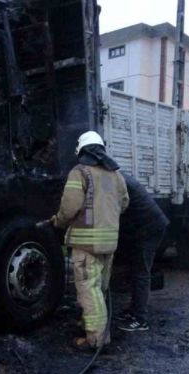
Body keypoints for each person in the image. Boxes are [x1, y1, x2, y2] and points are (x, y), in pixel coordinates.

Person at [47, 131, 129, 349]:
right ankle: (91, 327)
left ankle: (95, 339)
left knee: (88, 290)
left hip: (86, 245)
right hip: (110, 243)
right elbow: (124, 203)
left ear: (82, 151)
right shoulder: (116, 175)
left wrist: (58, 221)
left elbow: (70, 207)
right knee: (99, 290)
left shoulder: (80, 172)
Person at [114, 173, 169, 332]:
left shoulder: (116, 182)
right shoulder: (118, 177)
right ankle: (133, 311)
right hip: (144, 228)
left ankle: (140, 319)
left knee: (141, 272)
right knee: (136, 270)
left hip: (149, 229)